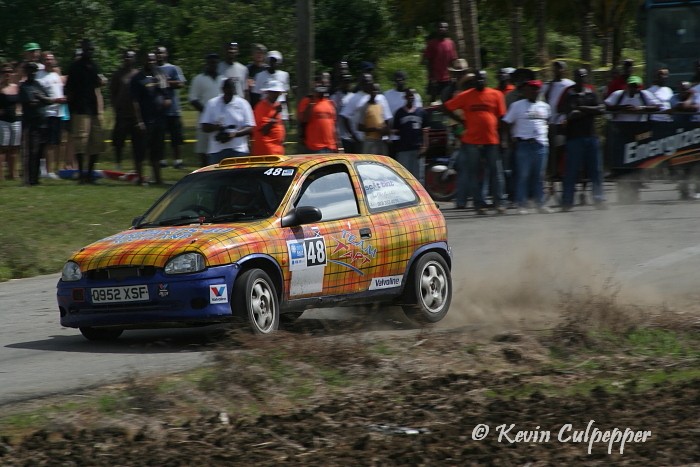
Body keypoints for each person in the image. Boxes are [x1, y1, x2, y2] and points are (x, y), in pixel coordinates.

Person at [442, 70, 507, 214]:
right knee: (474, 173)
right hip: (471, 141)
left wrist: (502, 139)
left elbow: (502, 118)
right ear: (474, 81)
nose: (480, 81)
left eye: (482, 79)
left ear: (486, 80)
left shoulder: (496, 95)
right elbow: (446, 107)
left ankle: (499, 203)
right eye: (477, 79)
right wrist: (461, 121)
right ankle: (479, 204)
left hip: (492, 140)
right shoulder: (466, 95)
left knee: (496, 172)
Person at [558, 68, 607, 211]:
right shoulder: (569, 93)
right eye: (578, 75)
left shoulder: (591, 92)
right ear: (574, 77)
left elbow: (601, 109)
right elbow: (570, 113)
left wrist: (582, 108)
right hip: (574, 138)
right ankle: (567, 202)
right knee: (571, 171)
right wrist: (589, 110)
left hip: (591, 136)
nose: (581, 78)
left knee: (596, 171)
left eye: (584, 75)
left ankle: (599, 199)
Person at [501, 80, 552, 214]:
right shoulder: (517, 106)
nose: (533, 92)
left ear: (539, 91)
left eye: (536, 90)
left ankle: (540, 204)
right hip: (524, 144)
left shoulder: (545, 107)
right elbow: (505, 122)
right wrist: (508, 140)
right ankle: (521, 204)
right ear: (525, 91)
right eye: (530, 89)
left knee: (539, 176)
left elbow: (548, 124)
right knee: (523, 175)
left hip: (541, 145)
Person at [64, 38, 105, 184]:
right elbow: (68, 90)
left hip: (93, 109)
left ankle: (90, 173)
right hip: (80, 109)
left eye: (92, 49)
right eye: (87, 49)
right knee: (81, 141)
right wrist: (70, 112)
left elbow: (98, 85)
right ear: (82, 49)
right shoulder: (75, 67)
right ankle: (81, 174)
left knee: (96, 142)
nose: (90, 52)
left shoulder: (94, 66)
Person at [130, 52, 172, 185]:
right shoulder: (138, 78)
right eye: (149, 60)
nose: (151, 62)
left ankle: (158, 179)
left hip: (159, 119)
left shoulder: (161, 76)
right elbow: (135, 102)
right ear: (144, 61)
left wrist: (167, 101)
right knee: (140, 150)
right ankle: (140, 178)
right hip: (144, 119)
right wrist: (139, 121)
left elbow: (167, 95)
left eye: (153, 60)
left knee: (157, 150)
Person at [200, 78, 255, 164]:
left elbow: (250, 127)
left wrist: (234, 134)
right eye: (227, 89)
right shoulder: (212, 103)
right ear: (222, 89)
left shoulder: (243, 104)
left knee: (238, 176)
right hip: (216, 150)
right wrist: (216, 127)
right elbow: (204, 126)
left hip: (238, 149)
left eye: (232, 90)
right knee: (217, 176)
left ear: (235, 90)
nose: (229, 92)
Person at [540, 60, 574, 186]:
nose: (556, 71)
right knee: (550, 148)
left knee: (561, 146)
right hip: (549, 122)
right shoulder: (547, 85)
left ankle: (561, 171)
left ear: (564, 70)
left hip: (562, 121)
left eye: (559, 68)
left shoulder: (569, 84)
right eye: (555, 68)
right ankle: (551, 172)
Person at [340, 74, 392, 156]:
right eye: (365, 82)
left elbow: (387, 118)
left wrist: (386, 135)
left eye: (369, 82)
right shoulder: (355, 97)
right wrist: (353, 136)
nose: (367, 84)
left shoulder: (380, 98)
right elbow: (344, 117)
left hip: (380, 140)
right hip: (361, 140)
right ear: (361, 83)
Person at [19, 62, 53, 186]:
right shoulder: (24, 87)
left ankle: (35, 178)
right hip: (30, 123)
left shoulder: (38, 85)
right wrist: (41, 99)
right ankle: (28, 179)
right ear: (27, 72)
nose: (32, 73)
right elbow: (30, 103)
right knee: (31, 152)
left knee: (39, 151)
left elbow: (49, 100)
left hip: (42, 122)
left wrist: (40, 98)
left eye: (34, 71)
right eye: (30, 71)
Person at [189, 53, 224, 166]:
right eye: (211, 62)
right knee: (203, 151)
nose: (213, 65)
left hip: (220, 121)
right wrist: (208, 112)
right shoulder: (198, 79)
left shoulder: (223, 79)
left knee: (219, 150)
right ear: (207, 63)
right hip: (204, 121)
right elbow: (193, 99)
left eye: (215, 63)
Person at [155, 46, 187, 169]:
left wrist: (166, 82)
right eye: (157, 53)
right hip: (158, 110)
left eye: (161, 53)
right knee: (160, 137)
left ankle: (177, 160)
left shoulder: (173, 68)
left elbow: (181, 83)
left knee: (176, 137)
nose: (159, 55)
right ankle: (161, 160)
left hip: (173, 109)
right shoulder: (152, 69)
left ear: (166, 54)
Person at [109, 50, 140, 170]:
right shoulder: (118, 74)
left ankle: (137, 165)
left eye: (131, 57)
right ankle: (118, 163)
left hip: (135, 114)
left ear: (134, 59)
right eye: (126, 57)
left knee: (136, 142)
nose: (128, 59)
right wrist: (115, 106)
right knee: (118, 141)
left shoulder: (138, 74)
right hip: (121, 113)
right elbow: (113, 92)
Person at [668, 82, 700, 199]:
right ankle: (684, 192)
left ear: (690, 90)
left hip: (694, 134)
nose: (684, 92)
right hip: (679, 135)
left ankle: (697, 189)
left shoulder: (696, 97)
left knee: (696, 163)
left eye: (686, 90)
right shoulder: (673, 98)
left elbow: (695, 107)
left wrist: (689, 102)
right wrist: (690, 98)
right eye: (682, 90)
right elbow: (683, 107)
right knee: (681, 163)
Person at [393, 88, 429, 183]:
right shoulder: (399, 113)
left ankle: (421, 197)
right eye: (408, 95)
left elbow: (425, 131)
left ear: (414, 97)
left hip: (418, 149)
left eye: (412, 95)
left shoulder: (422, 112)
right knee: (403, 176)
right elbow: (395, 131)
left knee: (418, 177)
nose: (410, 97)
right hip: (403, 149)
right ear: (405, 97)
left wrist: (425, 146)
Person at [384, 70, 423, 157]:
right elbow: (384, 117)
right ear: (394, 81)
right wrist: (386, 136)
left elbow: (419, 114)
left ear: (405, 80)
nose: (399, 82)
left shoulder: (414, 95)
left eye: (401, 80)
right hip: (393, 137)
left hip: (409, 136)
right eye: (397, 80)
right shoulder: (387, 95)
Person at [297, 74, 337, 154]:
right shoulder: (307, 100)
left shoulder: (330, 103)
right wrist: (312, 101)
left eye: (325, 84)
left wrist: (338, 145)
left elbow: (334, 126)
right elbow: (303, 120)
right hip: (315, 147)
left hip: (331, 147)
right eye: (321, 83)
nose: (323, 85)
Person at [422, 21, 458, 103]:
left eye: (445, 27)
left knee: (448, 100)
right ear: (437, 29)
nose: (443, 29)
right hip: (435, 78)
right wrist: (431, 78)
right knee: (433, 101)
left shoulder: (450, 43)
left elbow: (453, 60)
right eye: (441, 27)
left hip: (448, 78)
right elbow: (428, 61)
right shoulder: (432, 43)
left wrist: (454, 76)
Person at [253, 51, 291, 129]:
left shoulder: (284, 75)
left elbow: (286, 95)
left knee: (280, 133)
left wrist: (288, 113)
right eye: (271, 60)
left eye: (275, 60)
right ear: (268, 61)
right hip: (265, 111)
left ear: (279, 62)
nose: (273, 62)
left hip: (281, 111)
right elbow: (256, 96)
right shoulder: (260, 76)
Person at [252, 79, 286, 156]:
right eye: (274, 92)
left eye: (278, 93)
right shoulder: (261, 107)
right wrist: (276, 114)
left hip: (278, 148)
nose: (276, 95)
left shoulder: (276, 105)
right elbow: (264, 131)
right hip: (267, 150)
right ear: (268, 92)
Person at [0, 63, 21, 181]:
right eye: (4, 72)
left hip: (16, 121)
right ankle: (1, 174)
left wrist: (19, 109)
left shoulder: (16, 87)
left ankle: (13, 173)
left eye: (9, 71)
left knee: (14, 148)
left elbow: (19, 101)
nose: (7, 74)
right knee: (2, 148)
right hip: (3, 122)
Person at [359, 83, 390, 155]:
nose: (374, 92)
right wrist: (374, 129)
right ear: (369, 91)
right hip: (369, 140)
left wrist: (385, 131)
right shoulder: (365, 106)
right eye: (372, 90)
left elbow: (386, 122)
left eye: (376, 90)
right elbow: (360, 127)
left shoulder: (380, 105)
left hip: (380, 140)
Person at [330, 73, 354, 153]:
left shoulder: (353, 96)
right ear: (340, 83)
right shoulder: (334, 97)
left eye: (349, 81)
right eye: (345, 81)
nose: (347, 84)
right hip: (341, 135)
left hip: (353, 135)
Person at [246, 44, 267, 108]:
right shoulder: (247, 69)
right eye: (257, 53)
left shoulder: (267, 69)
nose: (259, 55)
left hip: (265, 102)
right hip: (251, 101)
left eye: (261, 53)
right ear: (253, 54)